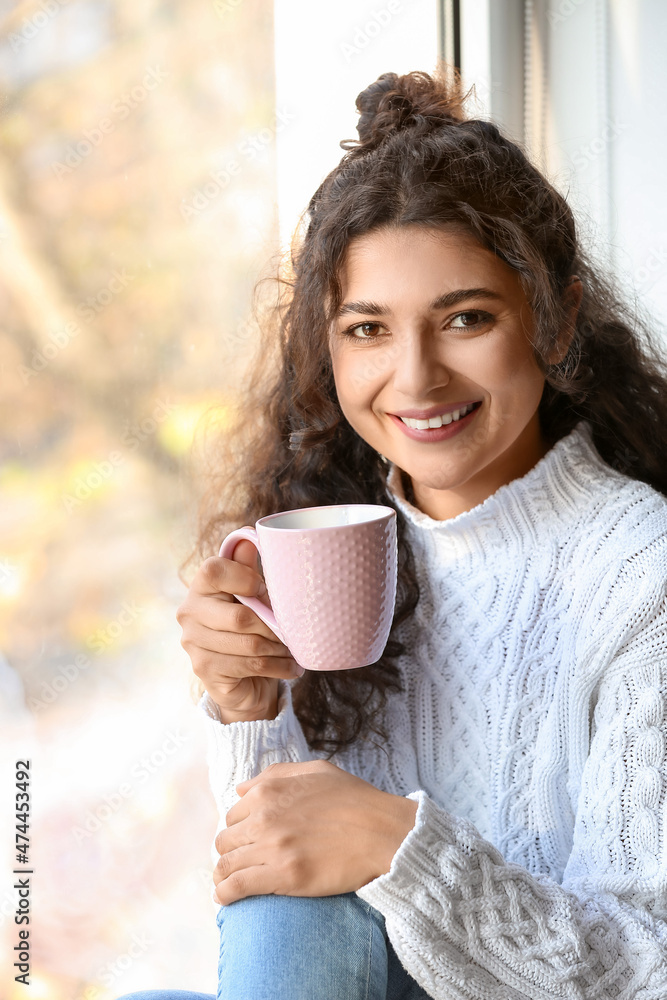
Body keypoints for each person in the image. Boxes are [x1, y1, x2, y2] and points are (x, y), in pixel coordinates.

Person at [118, 68, 667, 1000]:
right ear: (324, 351)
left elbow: (648, 967)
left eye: (465, 319)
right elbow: (289, 887)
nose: (414, 378)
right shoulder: (332, 539)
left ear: (558, 316)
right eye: (367, 329)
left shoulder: (638, 569)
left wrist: (395, 845)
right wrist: (252, 711)